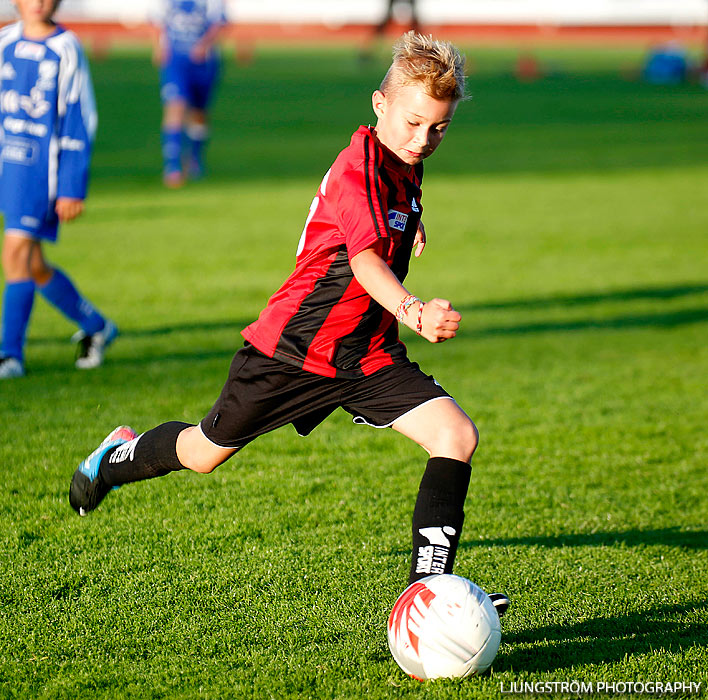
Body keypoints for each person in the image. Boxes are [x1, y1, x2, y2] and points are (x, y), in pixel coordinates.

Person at [69, 32, 509, 612]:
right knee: (204, 453)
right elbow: (364, 259)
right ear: (379, 105)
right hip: (293, 348)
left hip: (367, 353)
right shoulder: (360, 171)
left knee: (456, 436)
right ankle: (113, 459)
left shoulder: (402, 160)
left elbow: (389, 218)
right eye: (412, 123)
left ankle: (425, 598)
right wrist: (412, 308)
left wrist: (412, 224)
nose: (422, 139)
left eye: (438, 128)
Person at [0, 0, 117, 380]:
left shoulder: (66, 48)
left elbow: (79, 117)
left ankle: (9, 355)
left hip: (41, 171)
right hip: (8, 164)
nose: (38, 3)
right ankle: (97, 326)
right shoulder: (5, 42)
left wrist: (71, 185)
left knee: (14, 251)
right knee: (31, 264)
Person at [151, 0, 227, 188]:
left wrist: (205, 44)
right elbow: (155, 19)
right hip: (175, 61)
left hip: (204, 62)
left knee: (199, 113)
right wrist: (159, 45)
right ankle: (172, 167)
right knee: (174, 106)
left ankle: (194, 158)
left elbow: (220, 22)